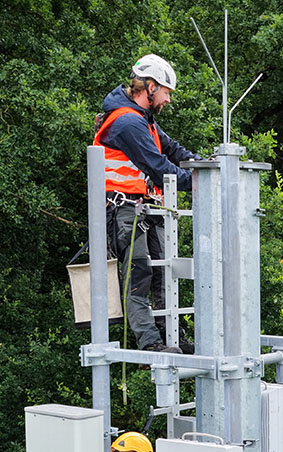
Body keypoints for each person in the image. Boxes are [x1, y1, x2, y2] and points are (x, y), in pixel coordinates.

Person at [94, 54, 199, 353]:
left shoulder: (144, 120)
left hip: (144, 209)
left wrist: (203, 165)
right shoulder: (127, 122)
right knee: (139, 274)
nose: (168, 99)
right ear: (150, 87)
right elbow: (158, 166)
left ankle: (172, 337)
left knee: (163, 274)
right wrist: (196, 183)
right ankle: (150, 344)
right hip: (123, 210)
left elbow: (172, 150)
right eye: (166, 92)